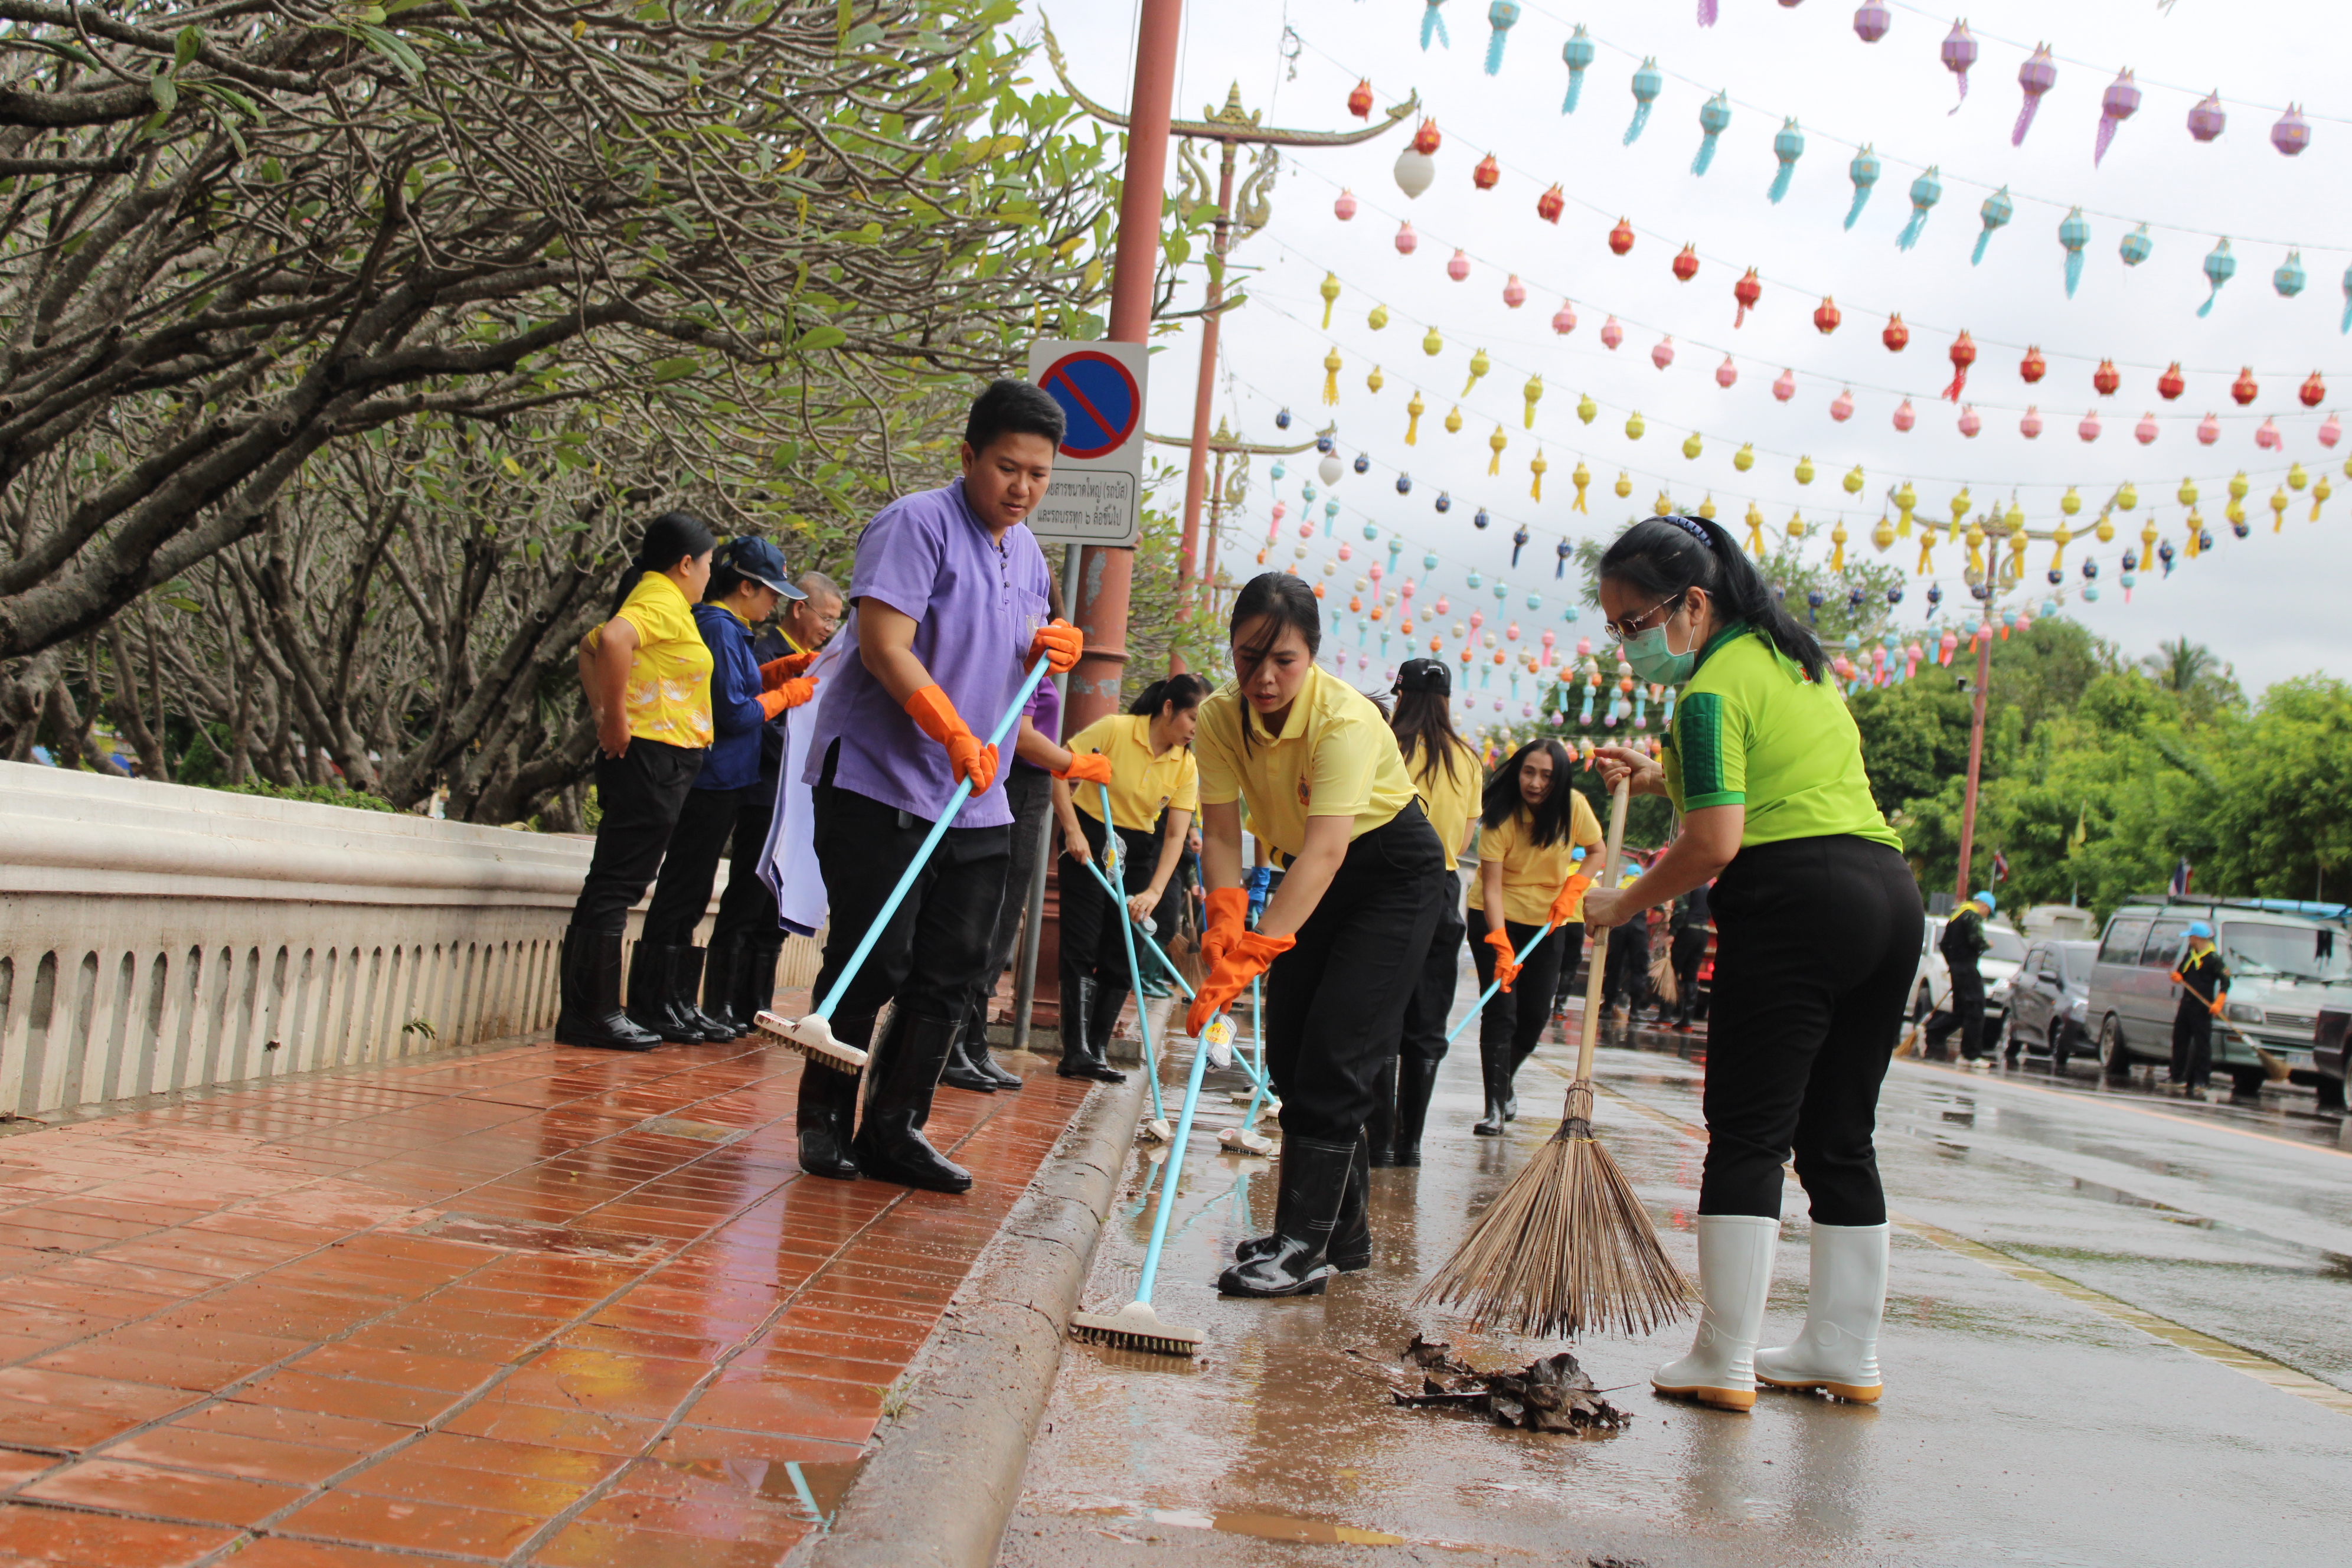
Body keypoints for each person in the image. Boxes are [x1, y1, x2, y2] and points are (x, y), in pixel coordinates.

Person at [1579, 514, 1919, 1412]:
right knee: (1840, 1134)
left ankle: (1723, 1358)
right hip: (1887, 896)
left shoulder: (1707, 691)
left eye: (1636, 623)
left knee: (1748, 1132)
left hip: (1795, 900)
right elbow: (1764, 776)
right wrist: (1659, 775)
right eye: (1615, 628)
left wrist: (1624, 902)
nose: (1628, 643)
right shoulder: (1795, 662)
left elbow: (1714, 842)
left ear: (1694, 604)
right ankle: (1843, 1349)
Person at [792, 380, 1092, 1194]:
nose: (1022, 488)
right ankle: (825, 1119)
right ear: (967, 456)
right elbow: (886, 645)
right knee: (874, 954)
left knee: (957, 963)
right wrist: (950, 728)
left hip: (976, 797)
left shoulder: (1027, 555)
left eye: (1038, 474)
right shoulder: (915, 524)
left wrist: (1048, 651)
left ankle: (897, 1129)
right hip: (880, 778)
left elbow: (1011, 664)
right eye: (1007, 468)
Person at [1188, 574, 1449, 1298]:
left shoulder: (1345, 720)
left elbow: (1329, 849)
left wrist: (1255, 953)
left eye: (1285, 660)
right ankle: (1341, 1233)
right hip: (1307, 876)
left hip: (1388, 875)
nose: (1264, 678)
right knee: (1291, 1053)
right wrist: (1224, 925)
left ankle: (1301, 1247)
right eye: (1249, 657)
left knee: (1339, 1052)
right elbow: (1220, 833)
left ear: (1313, 654)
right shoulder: (1219, 717)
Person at [632, 538, 818, 1043]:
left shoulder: (732, 630)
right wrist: (786, 695)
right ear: (746, 587)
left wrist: (776, 674)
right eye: (771, 593)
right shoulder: (717, 625)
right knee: (683, 887)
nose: (775, 605)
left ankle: (675, 999)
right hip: (711, 777)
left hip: (729, 779)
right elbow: (734, 712)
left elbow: (735, 687)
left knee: (695, 891)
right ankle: (654, 1000)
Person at [556, 512, 718, 1051]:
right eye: (708, 564)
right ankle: (594, 1014)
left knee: (613, 880)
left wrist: (605, 710)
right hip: (651, 756)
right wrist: (614, 719)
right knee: (619, 882)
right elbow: (613, 640)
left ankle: (591, 1011)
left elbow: (590, 645)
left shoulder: (662, 600)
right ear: (686, 563)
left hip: (657, 756)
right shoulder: (661, 598)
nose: (709, 575)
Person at [943, 586, 1082, 1096]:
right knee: (993, 911)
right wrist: (1072, 762)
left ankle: (973, 1040)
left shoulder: (1041, 667)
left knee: (1003, 915)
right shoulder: (1020, 665)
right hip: (1015, 783)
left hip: (1027, 789)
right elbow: (1021, 735)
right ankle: (955, 1039)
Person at [705, 570, 844, 1035]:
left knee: (776, 907)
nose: (829, 628)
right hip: (764, 792)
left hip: (799, 799)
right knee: (746, 898)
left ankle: (755, 1004)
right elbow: (757, 723)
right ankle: (720, 1003)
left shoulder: (821, 663)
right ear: (798, 608)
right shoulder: (764, 654)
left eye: (836, 621)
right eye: (825, 617)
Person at [1052, 674, 1208, 1083]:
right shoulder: (1115, 729)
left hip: (1136, 851)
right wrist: (1072, 831)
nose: (1196, 730)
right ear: (1169, 708)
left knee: (1124, 951)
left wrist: (1155, 890)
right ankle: (1075, 1051)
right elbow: (1058, 769)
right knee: (1082, 943)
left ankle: (1097, 1048)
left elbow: (1174, 835)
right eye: (1193, 718)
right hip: (1090, 838)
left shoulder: (1186, 765)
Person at [1466, 739, 1605, 1136]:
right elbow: (1491, 888)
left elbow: (1596, 850)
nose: (1536, 783)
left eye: (1546, 775)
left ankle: (1504, 1080)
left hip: (1548, 921)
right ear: (1518, 772)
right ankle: (1494, 1108)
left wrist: (1573, 889)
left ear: (1559, 779)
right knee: (1501, 1011)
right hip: (1495, 916)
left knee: (1534, 1015)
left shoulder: (1573, 807)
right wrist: (1500, 943)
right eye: (1529, 772)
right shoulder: (1500, 815)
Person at [1374, 658, 1482, 1167]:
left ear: (1401, 695)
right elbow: (1461, 842)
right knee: (1427, 1021)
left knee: (1379, 1015)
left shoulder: (1385, 745)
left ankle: (1377, 1142)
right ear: (1447, 701)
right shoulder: (1469, 760)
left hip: (1384, 884)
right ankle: (1410, 1145)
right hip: (1441, 890)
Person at [1926, 892, 1995, 1069]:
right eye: (1988, 912)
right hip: (1968, 968)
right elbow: (1976, 940)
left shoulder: (1956, 916)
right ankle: (1970, 1055)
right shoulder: (1972, 916)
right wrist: (1987, 944)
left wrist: (1953, 964)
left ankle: (1933, 1032)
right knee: (1975, 1009)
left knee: (1961, 1011)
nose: (1986, 916)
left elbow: (1944, 945)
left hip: (1957, 969)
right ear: (1985, 906)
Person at [2168, 920, 2229, 1099]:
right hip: (2186, 1004)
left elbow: (2226, 982)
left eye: (2191, 937)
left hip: (2203, 1007)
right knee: (2180, 1040)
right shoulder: (2190, 955)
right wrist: (2177, 977)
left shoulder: (2214, 959)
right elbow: (2181, 973)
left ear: (2197, 938)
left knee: (2202, 1044)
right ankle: (2177, 1076)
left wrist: (2219, 1002)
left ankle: (2202, 1080)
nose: (2189, 940)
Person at [1669, 880, 1713, 1031]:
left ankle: (1666, 1015)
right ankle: (1687, 1020)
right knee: (1691, 975)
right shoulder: (1707, 887)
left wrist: (1672, 932)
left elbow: (1681, 910)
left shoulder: (1688, 884)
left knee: (1673, 971)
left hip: (1687, 931)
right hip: (1703, 933)